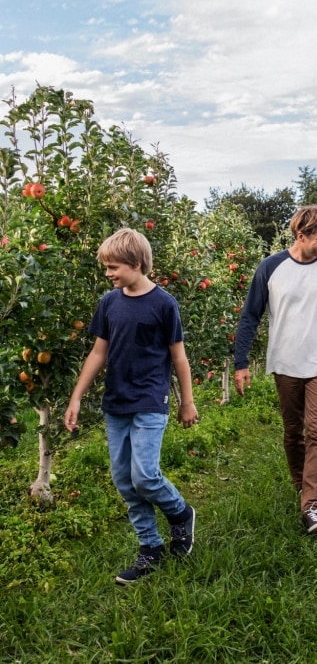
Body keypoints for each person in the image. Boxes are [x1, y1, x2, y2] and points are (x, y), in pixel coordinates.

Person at [64, 228, 198, 584]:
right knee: (124, 480)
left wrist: (188, 402)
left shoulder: (164, 304)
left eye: (114, 266)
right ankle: (149, 548)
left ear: (137, 263)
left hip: (151, 400)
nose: (108, 273)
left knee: (145, 475)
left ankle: (180, 513)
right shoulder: (109, 303)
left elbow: (179, 358)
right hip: (117, 402)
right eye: (106, 267)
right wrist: (76, 396)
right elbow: (98, 353)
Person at [233, 204, 317, 535]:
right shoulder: (271, 267)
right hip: (286, 362)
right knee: (293, 430)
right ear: (301, 236)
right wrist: (241, 361)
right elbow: (250, 316)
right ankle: (301, 483)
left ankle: (312, 505)